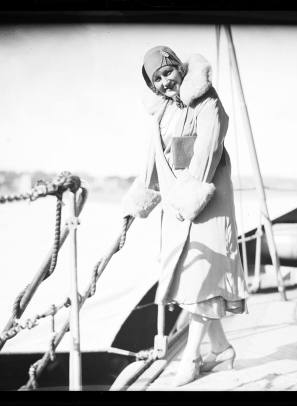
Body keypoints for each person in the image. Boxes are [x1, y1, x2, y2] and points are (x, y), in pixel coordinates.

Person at [121, 46, 247, 386]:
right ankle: (220, 351)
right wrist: (138, 202)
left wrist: (189, 197)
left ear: (180, 68)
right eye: (158, 79)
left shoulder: (207, 102)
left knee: (202, 279)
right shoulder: (162, 113)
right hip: (179, 207)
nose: (165, 82)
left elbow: (208, 150)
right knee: (193, 279)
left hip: (207, 202)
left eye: (169, 72)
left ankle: (190, 358)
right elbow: (154, 162)